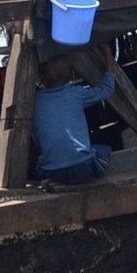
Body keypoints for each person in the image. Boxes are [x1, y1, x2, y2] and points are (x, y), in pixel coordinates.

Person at [34, 48, 115, 185]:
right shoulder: (76, 94)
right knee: (105, 150)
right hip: (82, 169)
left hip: (52, 172)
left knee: (40, 162)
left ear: (40, 77)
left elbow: (36, 139)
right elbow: (107, 89)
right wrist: (108, 53)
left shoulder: (36, 101)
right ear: (72, 75)